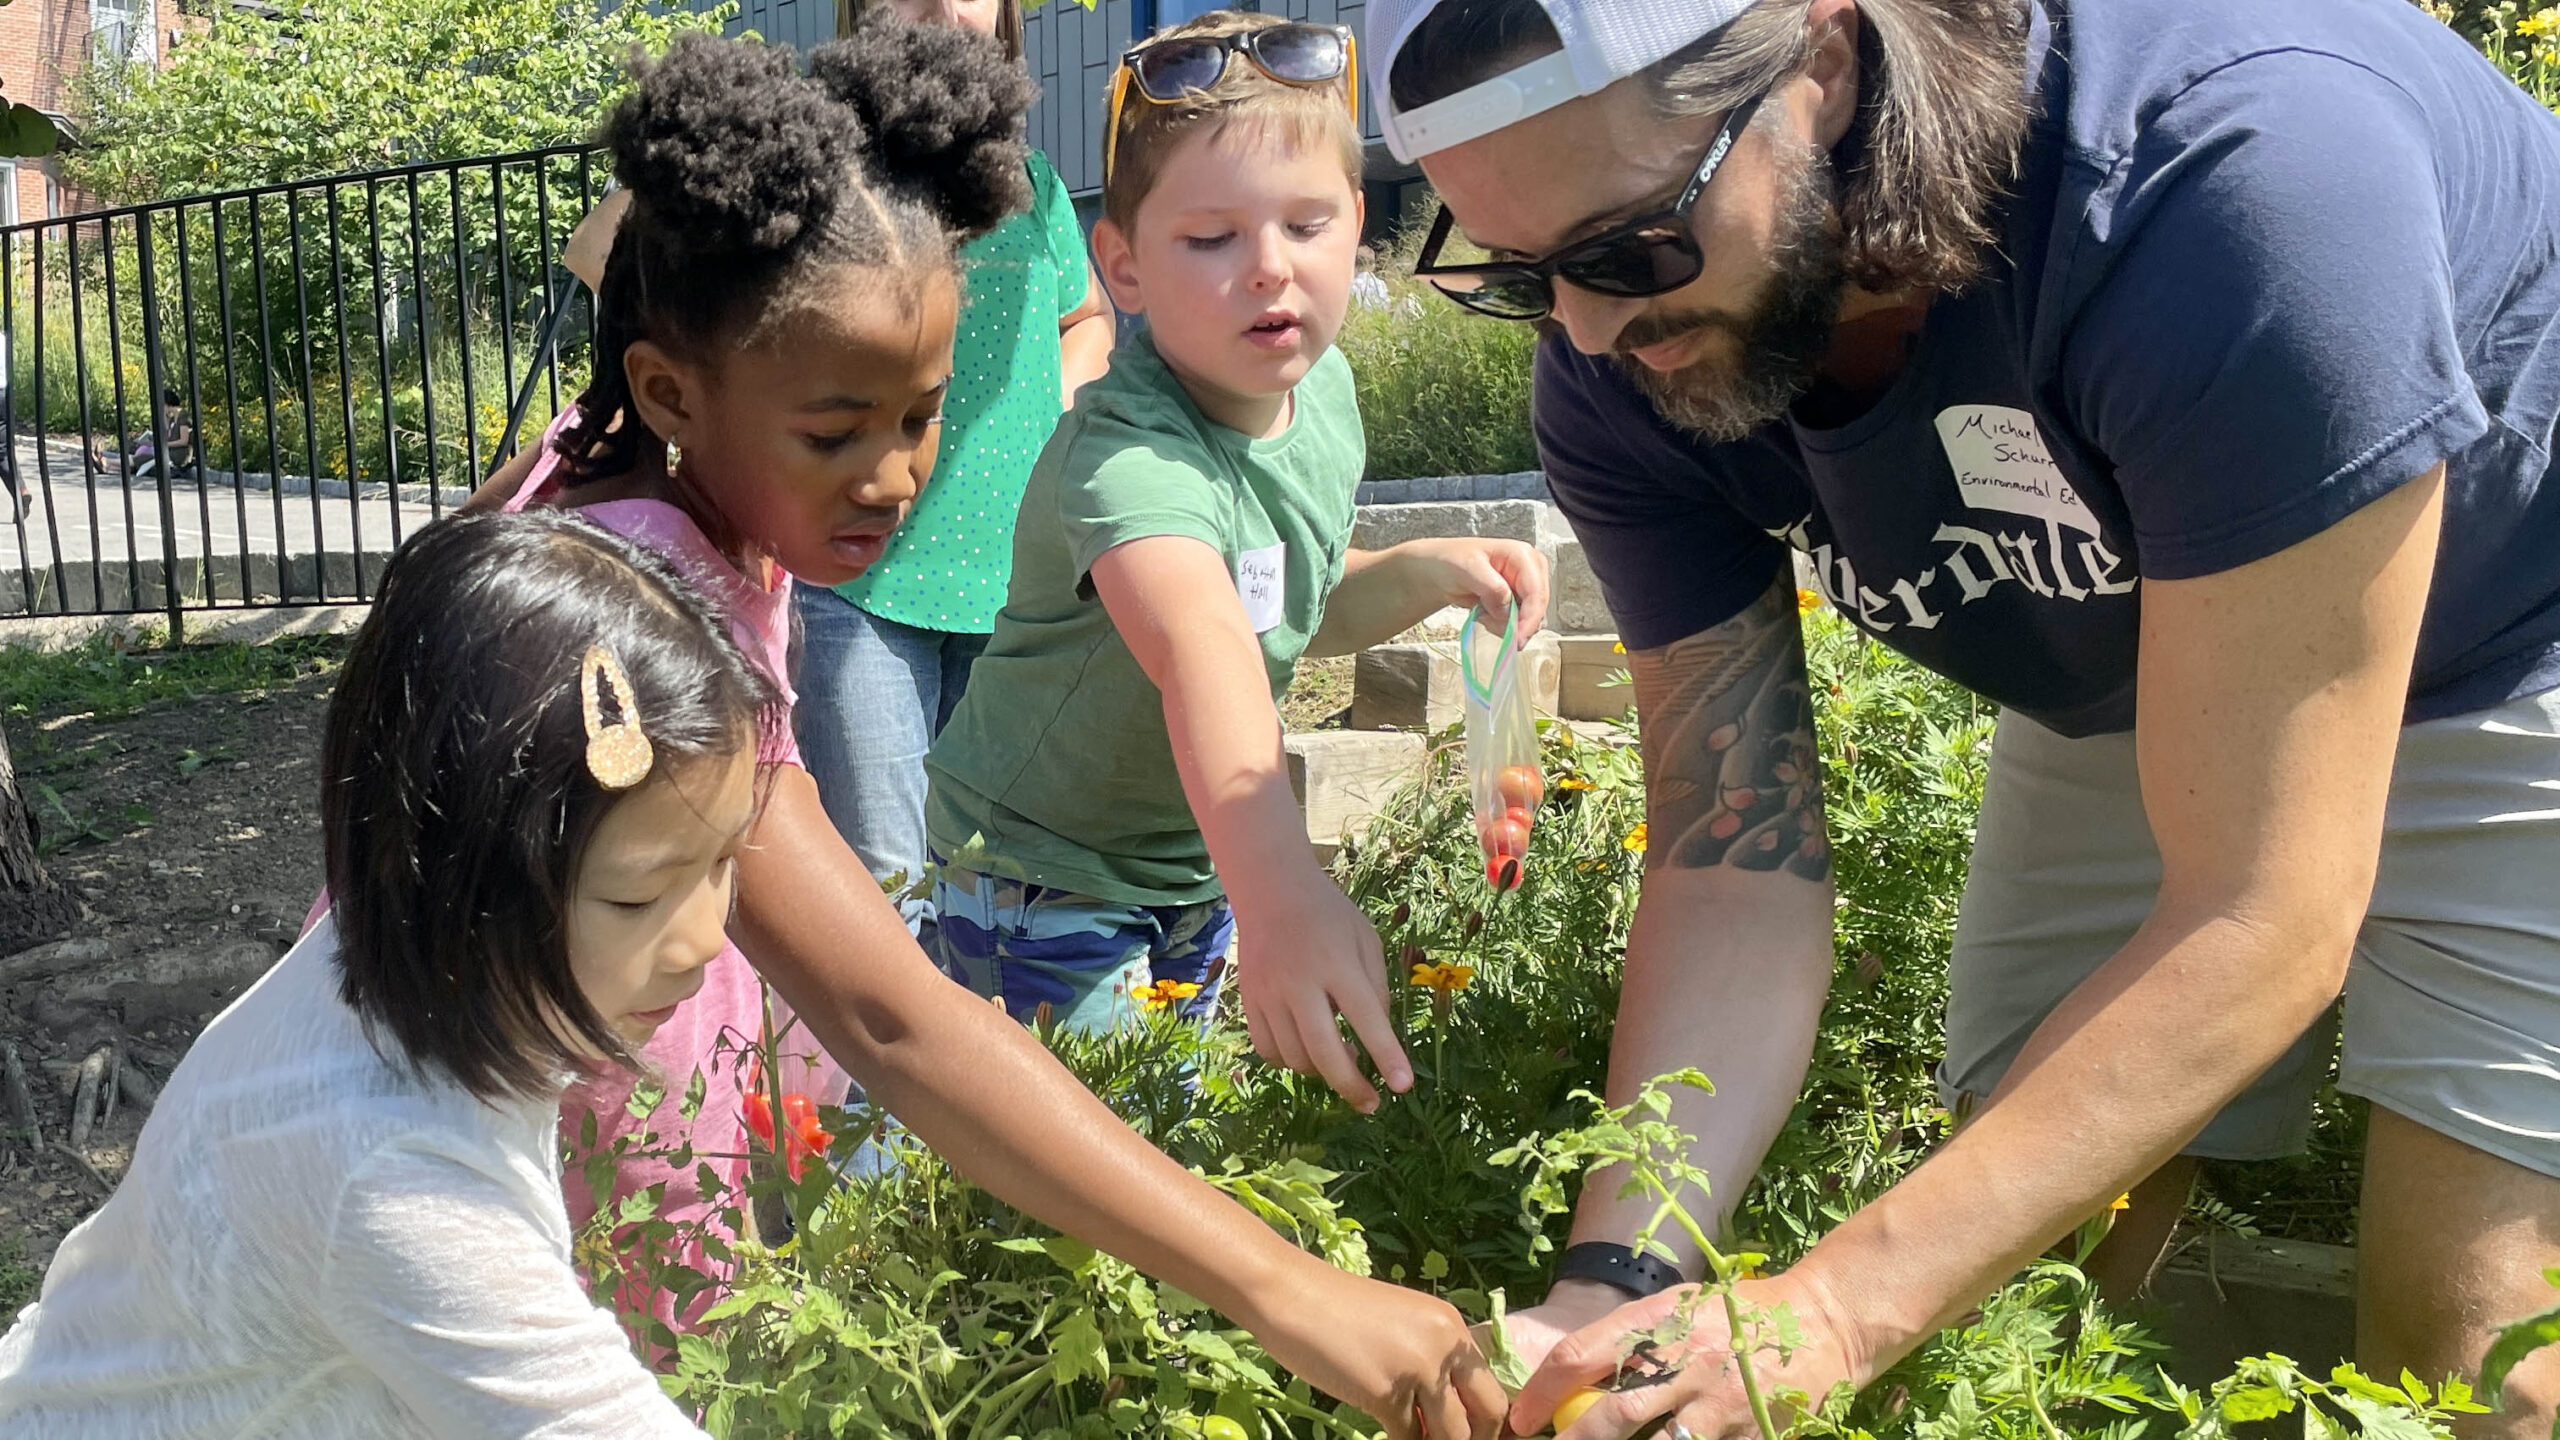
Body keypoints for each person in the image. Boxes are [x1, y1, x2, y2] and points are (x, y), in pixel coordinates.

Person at [1361, 0, 2560, 1435]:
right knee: (2039, 1283)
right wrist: (1615, 1282)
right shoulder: (1620, 372)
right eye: (1516, 271)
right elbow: (1731, 855)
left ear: (1821, 62)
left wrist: (1831, 1307)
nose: (1587, 328)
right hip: (2137, 655)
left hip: (2518, 626)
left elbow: (2266, 907)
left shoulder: (2228, 185)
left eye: (1631, 248)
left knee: (2472, 1361)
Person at [453, 21, 1504, 1436]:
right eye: (836, 432)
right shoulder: (638, 617)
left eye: (924, 416)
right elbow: (890, 1013)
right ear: (670, 391)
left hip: (577, 1044)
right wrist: (1283, 1287)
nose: (894, 480)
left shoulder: (661, 500)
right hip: (514, 1108)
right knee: (685, 1355)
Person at [0, 508, 768, 1437]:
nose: (702, 940)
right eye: (636, 900)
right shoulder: (392, 1173)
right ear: (455, 879)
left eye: (724, 860)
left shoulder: (393, 963)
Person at [921, 10, 1549, 1104]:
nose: (1269, 270)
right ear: (1120, 264)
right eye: (1210, 240)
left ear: (1358, 226)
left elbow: (1285, 609)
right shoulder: (1126, 458)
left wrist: (1427, 569)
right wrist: (1284, 893)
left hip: (1195, 862)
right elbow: (1203, 645)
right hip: (1036, 877)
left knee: (1184, 1144)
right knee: (1070, 1182)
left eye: (1306, 224)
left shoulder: (1323, 400)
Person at [795, 0, 1115, 941]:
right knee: (889, 903)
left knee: (997, 900)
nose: (940, 4)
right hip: (859, 590)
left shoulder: (1036, 184)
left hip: (1017, 601)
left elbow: (1084, 317)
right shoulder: (822, 160)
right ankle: (874, 1096)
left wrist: (1051, 413)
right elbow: (613, 249)